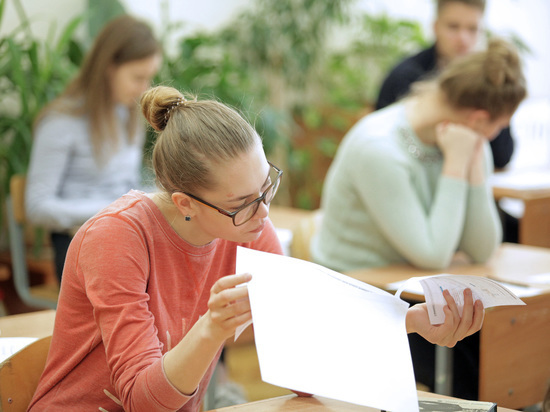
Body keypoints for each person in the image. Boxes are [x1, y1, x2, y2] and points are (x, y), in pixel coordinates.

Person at [28, 85, 485, 411]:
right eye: (243, 204)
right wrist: (210, 330)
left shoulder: (245, 227)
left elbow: (299, 360)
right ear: (185, 203)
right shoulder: (116, 238)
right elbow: (144, 402)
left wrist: (411, 322)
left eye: (266, 187)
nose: (264, 214)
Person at [312, 38, 526, 399]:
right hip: (359, 303)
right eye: (498, 127)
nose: (495, 137)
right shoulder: (378, 148)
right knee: (473, 364)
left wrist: (472, 164)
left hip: (412, 289)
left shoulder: (464, 139)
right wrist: (457, 164)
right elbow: (432, 255)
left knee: (497, 342)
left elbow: (482, 247)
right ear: (478, 119)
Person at [25, 15, 162, 281]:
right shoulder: (60, 122)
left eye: (149, 78)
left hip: (125, 234)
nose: (144, 88)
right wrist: (111, 209)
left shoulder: (127, 116)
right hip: (80, 242)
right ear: (109, 67)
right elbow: (37, 206)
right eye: (137, 77)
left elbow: (128, 185)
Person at [375, 0, 520, 244]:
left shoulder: (490, 80)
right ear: (436, 27)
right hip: (417, 200)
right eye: (454, 27)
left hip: (469, 189)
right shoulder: (406, 76)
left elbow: (503, 153)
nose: (463, 38)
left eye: (472, 29)